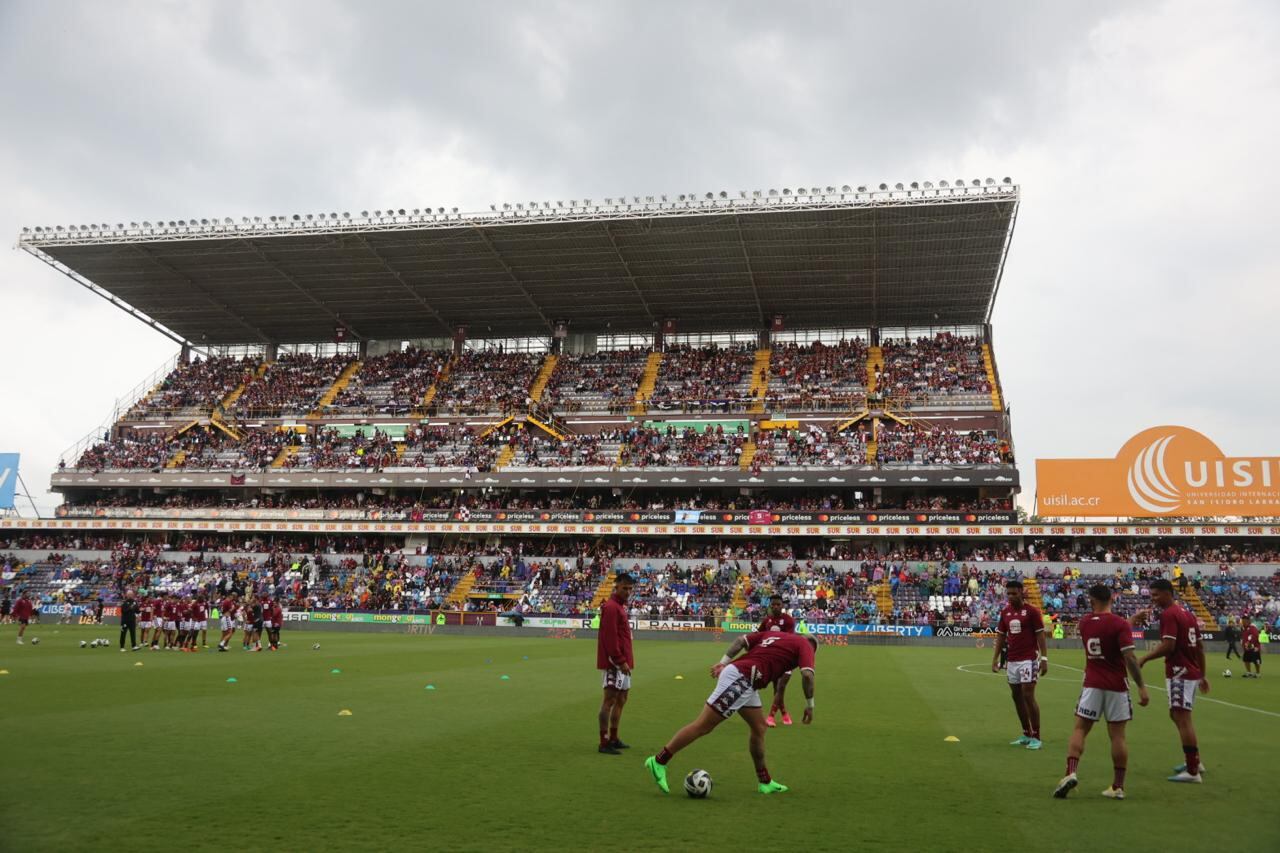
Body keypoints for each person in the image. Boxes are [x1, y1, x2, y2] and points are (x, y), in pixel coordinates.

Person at [644, 631, 816, 795]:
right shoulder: (805, 645)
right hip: (741, 680)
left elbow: (740, 641)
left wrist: (723, 663)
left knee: (759, 728)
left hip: (745, 679)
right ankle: (659, 760)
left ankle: (765, 782)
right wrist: (810, 705)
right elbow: (807, 675)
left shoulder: (775, 635)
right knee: (703, 726)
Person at [1053, 585, 1149, 800]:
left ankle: (1070, 773)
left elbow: (1105, 631)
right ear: (1112, 599)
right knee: (1118, 736)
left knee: (1080, 729)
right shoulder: (1119, 624)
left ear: (1091, 600)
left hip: (1092, 684)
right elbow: (1129, 657)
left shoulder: (1085, 623)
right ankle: (1117, 786)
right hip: (1117, 686)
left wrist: (1129, 622)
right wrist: (1142, 686)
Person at [1136, 578, 1209, 783]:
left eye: (1156, 595)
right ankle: (1195, 761)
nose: (1153, 599)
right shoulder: (1187, 613)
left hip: (1180, 672)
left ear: (1168, 593)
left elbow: (1168, 646)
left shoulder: (1169, 614)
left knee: (1182, 718)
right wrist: (1202, 674)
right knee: (1177, 715)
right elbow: (1200, 647)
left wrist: (1144, 658)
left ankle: (1192, 771)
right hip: (1190, 672)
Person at [992, 579, 1048, 749]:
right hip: (1012, 660)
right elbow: (1001, 636)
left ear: (1021, 593)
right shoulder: (1005, 612)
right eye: (1008, 593)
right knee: (1016, 696)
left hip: (1028, 659)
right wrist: (995, 659)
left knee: (1028, 694)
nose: (1010, 596)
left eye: (1014, 593)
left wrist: (1044, 658)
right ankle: (1026, 733)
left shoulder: (1032, 612)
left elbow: (1040, 635)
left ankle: (1036, 737)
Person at [596, 573, 635, 755]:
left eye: (630, 589)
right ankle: (603, 742)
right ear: (616, 586)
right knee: (609, 700)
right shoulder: (611, 607)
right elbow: (610, 638)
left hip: (623, 661)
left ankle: (613, 738)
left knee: (621, 699)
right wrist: (620, 661)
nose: (627, 591)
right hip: (615, 662)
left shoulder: (619, 607)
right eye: (624, 588)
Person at [758, 594, 797, 727]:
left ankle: (770, 717)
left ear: (782, 605)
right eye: (773, 604)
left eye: (778, 604)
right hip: (772, 660)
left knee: (781, 686)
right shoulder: (767, 621)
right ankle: (785, 714)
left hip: (786, 659)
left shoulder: (788, 620)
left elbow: (790, 640)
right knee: (777, 689)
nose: (775, 607)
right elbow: (759, 635)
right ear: (770, 605)